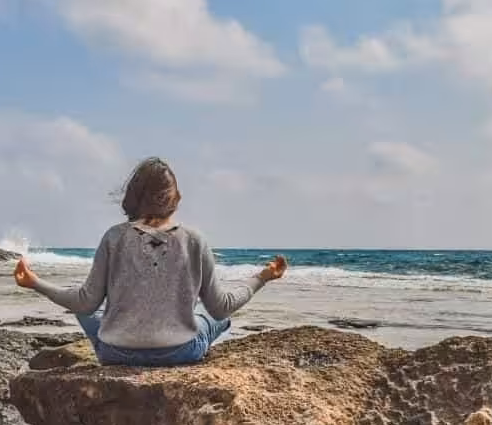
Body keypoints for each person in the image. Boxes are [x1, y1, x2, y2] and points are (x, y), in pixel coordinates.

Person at [14, 157, 287, 366]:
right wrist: (262, 277)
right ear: (174, 198)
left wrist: (35, 282)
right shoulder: (194, 239)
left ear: (133, 197)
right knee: (215, 318)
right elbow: (221, 306)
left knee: (83, 304)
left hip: (115, 353)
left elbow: (86, 303)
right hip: (180, 352)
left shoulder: (113, 237)